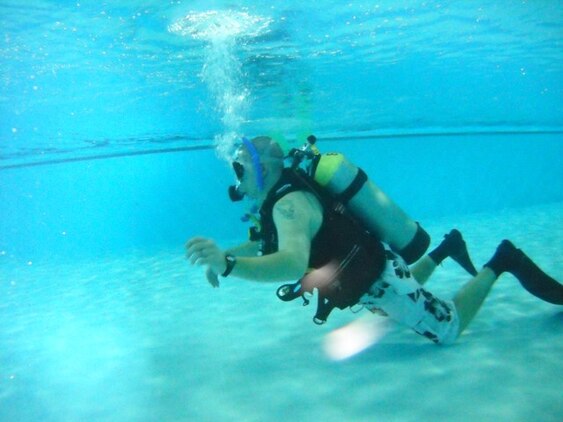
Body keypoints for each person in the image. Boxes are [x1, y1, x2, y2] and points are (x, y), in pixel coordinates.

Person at [186, 136, 562, 344]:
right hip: (372, 275)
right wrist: (226, 254)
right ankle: (446, 248)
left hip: (380, 278)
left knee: (447, 329)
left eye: (239, 169)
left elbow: (290, 263)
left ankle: (503, 260)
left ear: (263, 168)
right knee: (396, 305)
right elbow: (266, 244)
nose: (236, 181)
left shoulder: (289, 205)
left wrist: (228, 265)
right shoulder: (277, 198)